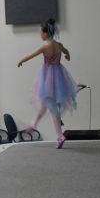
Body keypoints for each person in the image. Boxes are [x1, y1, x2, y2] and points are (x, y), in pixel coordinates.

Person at [17, 17, 77, 149]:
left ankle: (59, 135)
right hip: (59, 76)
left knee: (51, 105)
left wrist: (21, 60)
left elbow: (31, 55)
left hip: (48, 77)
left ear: (46, 33)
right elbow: (66, 51)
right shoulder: (58, 45)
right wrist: (67, 56)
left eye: (41, 32)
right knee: (46, 101)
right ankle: (34, 123)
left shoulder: (46, 46)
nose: (40, 34)